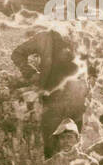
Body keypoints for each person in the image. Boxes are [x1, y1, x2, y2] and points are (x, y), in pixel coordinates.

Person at [11, 27, 87, 155]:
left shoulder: (81, 37)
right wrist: (31, 74)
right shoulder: (44, 38)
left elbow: (94, 64)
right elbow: (17, 53)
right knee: (52, 145)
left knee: (75, 148)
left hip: (76, 102)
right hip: (52, 100)